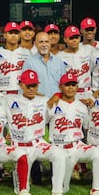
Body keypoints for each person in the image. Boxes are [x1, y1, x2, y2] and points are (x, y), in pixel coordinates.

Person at [2, 69, 71, 195]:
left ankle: (57, 194)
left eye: (34, 85)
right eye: (28, 85)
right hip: (18, 147)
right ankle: (24, 191)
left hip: (38, 144)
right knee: (20, 190)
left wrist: (58, 94)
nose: (32, 88)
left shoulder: (45, 101)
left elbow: (70, 98)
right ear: (20, 84)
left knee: (60, 154)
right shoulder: (8, 100)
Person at [22, 32, 66, 184]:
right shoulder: (29, 62)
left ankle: (56, 174)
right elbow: (25, 85)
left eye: (46, 41)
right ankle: (36, 175)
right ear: (35, 43)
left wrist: (57, 96)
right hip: (37, 106)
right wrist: (41, 97)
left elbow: (64, 85)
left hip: (56, 106)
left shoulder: (59, 62)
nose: (44, 44)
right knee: (34, 138)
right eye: (40, 42)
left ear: (50, 43)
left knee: (57, 140)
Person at [0, 21, 30, 98]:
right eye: (10, 33)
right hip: (2, 94)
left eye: (16, 33)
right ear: (5, 35)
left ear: (19, 35)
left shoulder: (27, 53)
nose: (13, 35)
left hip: (21, 93)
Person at [57, 25, 94, 101]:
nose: (74, 40)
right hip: (69, 94)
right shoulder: (59, 57)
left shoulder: (89, 49)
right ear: (65, 39)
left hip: (88, 92)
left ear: (80, 38)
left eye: (76, 37)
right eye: (71, 38)